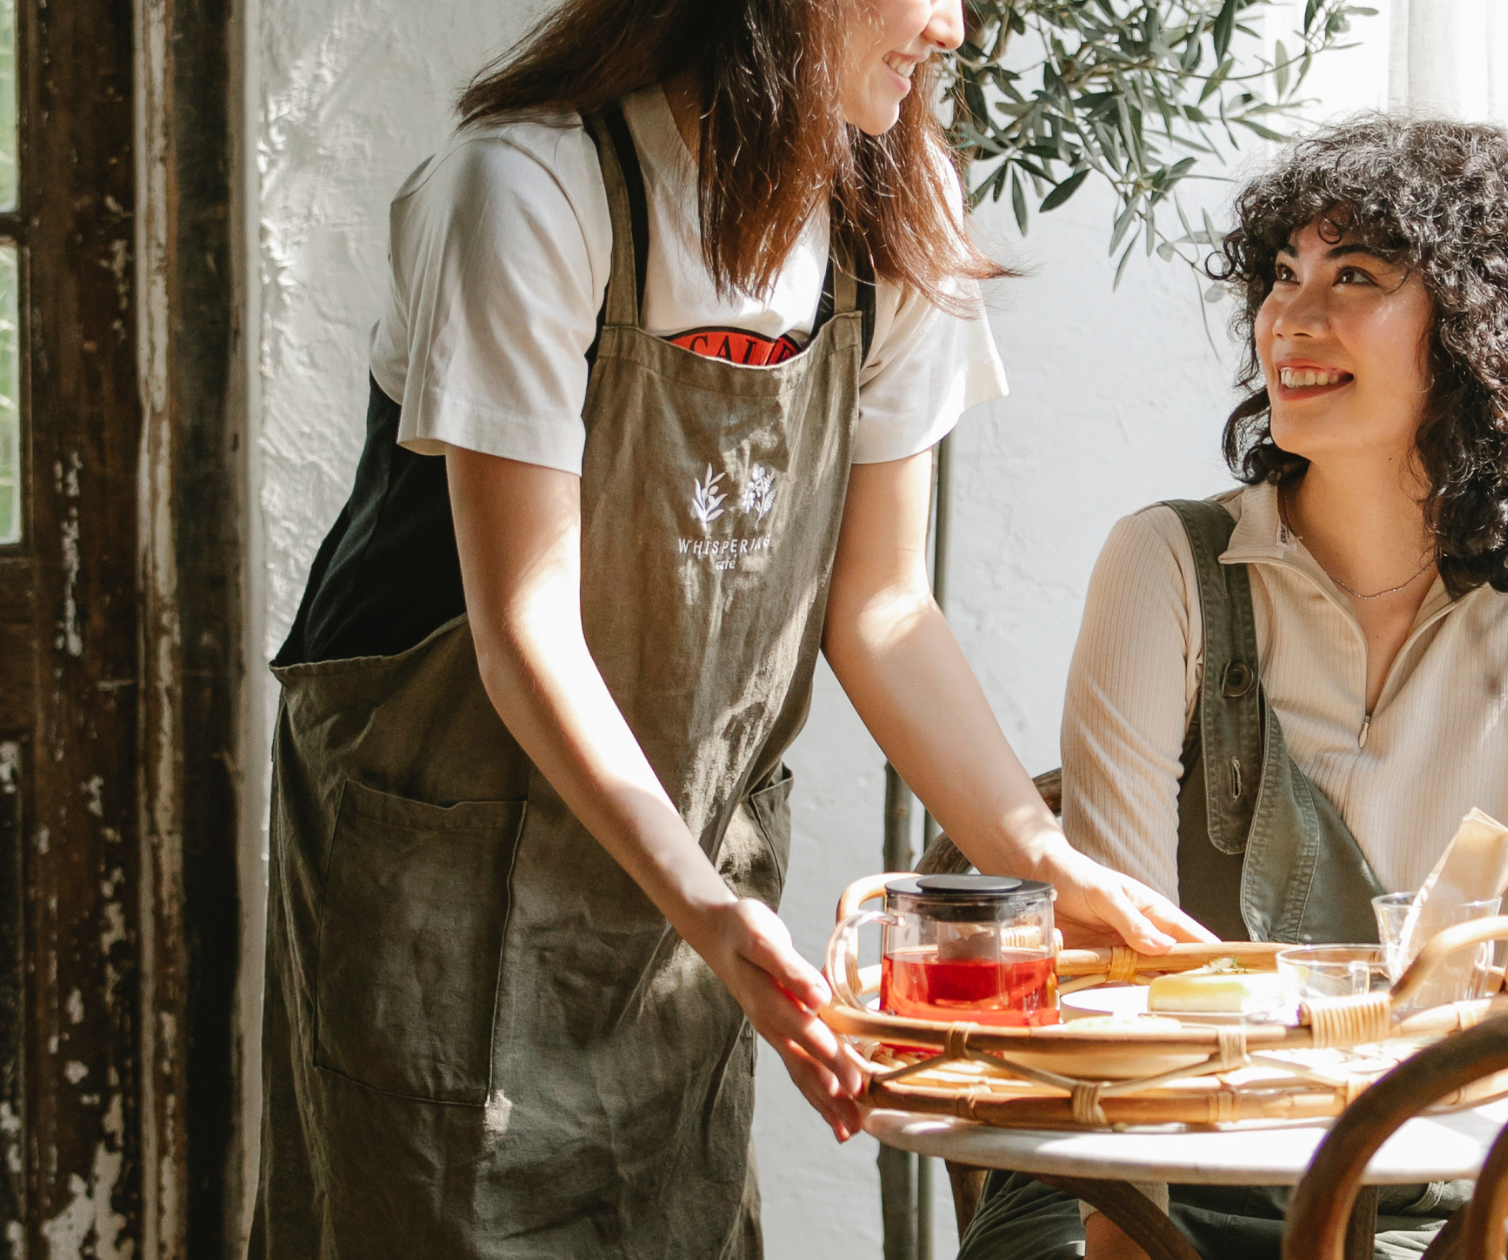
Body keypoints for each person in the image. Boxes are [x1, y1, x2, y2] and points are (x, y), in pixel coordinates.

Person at [248, 3, 1209, 1256]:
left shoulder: (895, 203)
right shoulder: (529, 188)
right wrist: (705, 909)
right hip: (444, 871)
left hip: (679, 884)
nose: (954, 28)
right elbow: (525, 622)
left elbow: (878, 604)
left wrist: (1044, 857)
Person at [957, 116, 1508, 1260]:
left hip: (1413, 1192)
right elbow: (1115, 968)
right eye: (1281, 275)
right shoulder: (1168, 565)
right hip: (1146, 1174)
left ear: (1484, 329)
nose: (1289, 315)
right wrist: (1130, 1242)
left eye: (1354, 277)